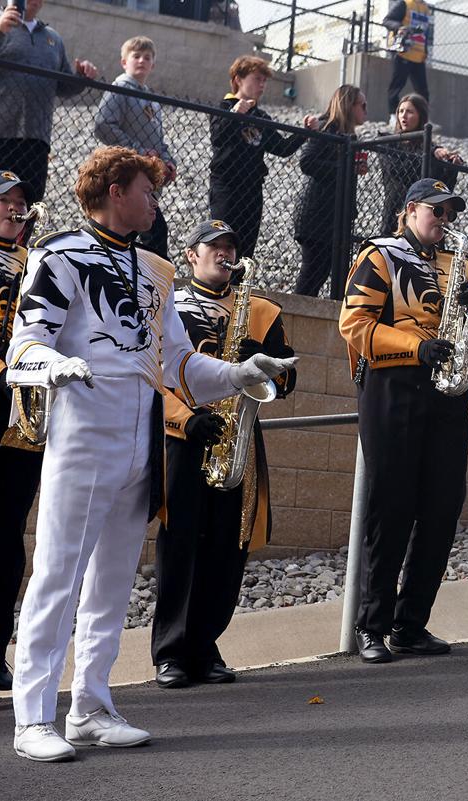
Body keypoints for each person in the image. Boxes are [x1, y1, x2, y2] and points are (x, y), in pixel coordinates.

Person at [6, 146, 295, 763]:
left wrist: (241, 372)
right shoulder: (58, 256)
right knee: (58, 578)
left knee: (112, 582)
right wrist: (56, 366)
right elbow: (24, 349)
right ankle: (32, 715)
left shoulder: (156, 271)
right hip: (82, 432)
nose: (155, 202)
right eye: (147, 190)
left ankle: (91, 704)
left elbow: (181, 363)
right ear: (116, 191)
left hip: (140, 441)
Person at [338, 177, 468, 665]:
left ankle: (411, 624)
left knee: (442, 510)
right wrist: (414, 346)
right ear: (410, 210)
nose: (444, 221)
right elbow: (353, 325)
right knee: (391, 508)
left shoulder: (462, 267)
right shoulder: (379, 256)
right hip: (394, 386)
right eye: (436, 212)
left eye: (449, 214)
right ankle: (371, 626)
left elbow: (464, 330)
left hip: (446, 392)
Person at [152, 220, 297, 689]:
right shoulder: (168, 305)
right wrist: (183, 419)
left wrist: (265, 366)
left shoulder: (262, 309)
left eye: (231, 245)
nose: (224, 252)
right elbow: (153, 371)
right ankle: (171, 652)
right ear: (191, 255)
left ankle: (205, 645)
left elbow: (288, 379)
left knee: (228, 547)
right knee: (180, 544)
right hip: (185, 436)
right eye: (213, 246)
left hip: (239, 440)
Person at [0, 170, 41, 692]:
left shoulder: (36, 264)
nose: (16, 208)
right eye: (5, 200)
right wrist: (1, 374)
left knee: (7, 536)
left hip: (21, 415)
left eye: (22, 201)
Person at [0, 0, 98, 203]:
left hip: (36, 138)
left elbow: (62, 86)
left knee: (29, 204)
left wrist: (82, 77)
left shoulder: (52, 38)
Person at [209, 55, 317, 259]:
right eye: (257, 78)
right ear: (239, 79)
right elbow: (217, 137)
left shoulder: (261, 117)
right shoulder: (224, 106)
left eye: (264, 80)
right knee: (223, 243)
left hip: (252, 189)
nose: (262, 84)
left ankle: (239, 287)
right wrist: (235, 114)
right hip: (227, 186)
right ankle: (217, 287)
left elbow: (282, 147)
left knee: (246, 248)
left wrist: (305, 132)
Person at [94, 36, 175, 260]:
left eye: (147, 57)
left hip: (145, 179)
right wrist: (139, 152)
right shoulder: (119, 89)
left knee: (147, 231)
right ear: (124, 62)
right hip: (127, 174)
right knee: (151, 232)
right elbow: (103, 125)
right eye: (136, 56)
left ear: (153, 65)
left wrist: (168, 161)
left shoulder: (152, 99)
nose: (141, 60)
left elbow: (159, 140)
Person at [294, 84, 369, 297]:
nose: (366, 110)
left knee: (327, 274)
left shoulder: (347, 136)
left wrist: (353, 169)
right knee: (312, 275)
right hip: (317, 215)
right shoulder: (327, 127)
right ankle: (291, 325)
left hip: (334, 217)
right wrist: (346, 168)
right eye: (362, 105)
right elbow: (307, 162)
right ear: (349, 105)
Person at [379, 93, 463, 249]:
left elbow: (443, 189)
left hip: (425, 221)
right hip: (395, 212)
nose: (403, 115)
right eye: (401, 111)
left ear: (420, 116)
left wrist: (450, 166)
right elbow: (397, 169)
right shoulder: (388, 143)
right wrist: (431, 153)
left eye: (410, 111)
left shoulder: (430, 149)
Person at [382, 0, 433, 117]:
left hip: (418, 56)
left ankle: (423, 118)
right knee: (396, 86)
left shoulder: (426, 8)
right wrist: (399, 27)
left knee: (423, 91)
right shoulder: (404, 4)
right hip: (403, 53)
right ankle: (393, 116)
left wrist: (425, 51)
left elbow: (425, 31)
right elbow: (387, 21)